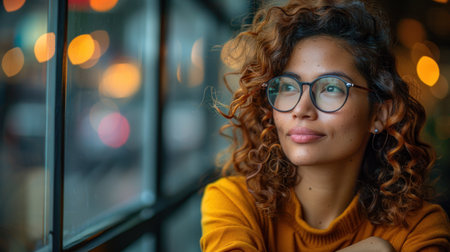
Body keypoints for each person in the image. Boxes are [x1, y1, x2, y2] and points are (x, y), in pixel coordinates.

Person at [200, 0, 450, 251]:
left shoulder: (419, 227)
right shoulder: (233, 202)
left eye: (331, 88)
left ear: (380, 114)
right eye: (288, 86)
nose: (301, 109)